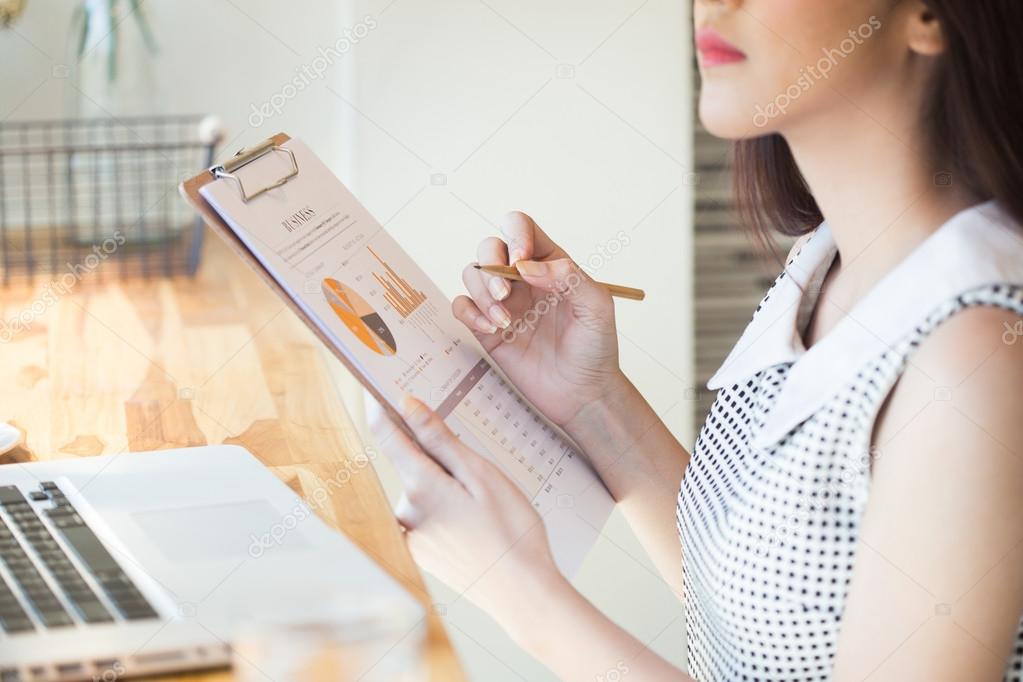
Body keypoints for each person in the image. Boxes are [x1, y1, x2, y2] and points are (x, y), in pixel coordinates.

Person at [370, 1, 1023, 679]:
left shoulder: (976, 358)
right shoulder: (826, 262)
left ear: (928, 15)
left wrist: (523, 598)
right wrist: (592, 400)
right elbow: (766, 610)